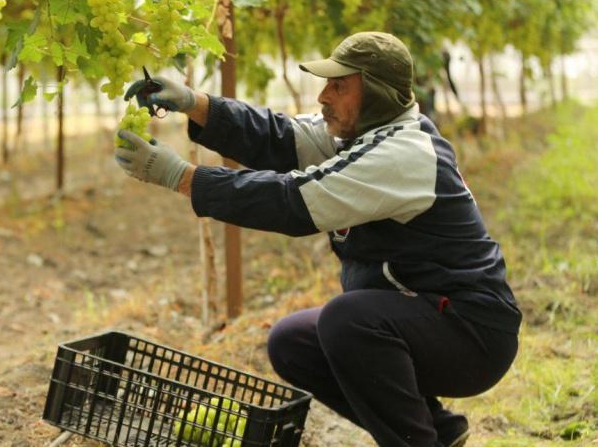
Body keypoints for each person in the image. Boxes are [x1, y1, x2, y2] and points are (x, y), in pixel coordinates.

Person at [114, 32, 521, 447]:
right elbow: (277, 137)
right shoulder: (361, 133)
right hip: (427, 314)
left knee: (349, 321)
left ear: (377, 95)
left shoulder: (403, 154)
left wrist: (182, 177)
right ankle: (439, 430)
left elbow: (293, 201)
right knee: (293, 342)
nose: (323, 96)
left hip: (471, 334)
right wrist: (195, 103)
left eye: (339, 86)